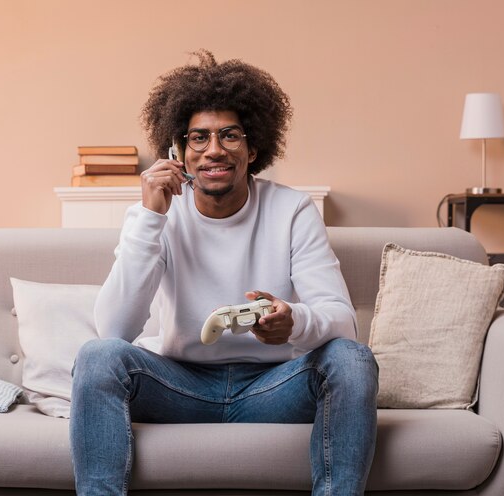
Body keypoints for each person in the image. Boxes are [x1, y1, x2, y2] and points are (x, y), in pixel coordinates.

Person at [69, 50, 379, 496]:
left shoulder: (291, 209)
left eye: (229, 135)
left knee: (352, 360)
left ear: (254, 149)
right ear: (179, 151)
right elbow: (113, 329)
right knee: (97, 356)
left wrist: (293, 320)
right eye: (198, 138)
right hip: (178, 385)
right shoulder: (156, 215)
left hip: (273, 388)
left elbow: (343, 323)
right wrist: (150, 218)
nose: (214, 149)